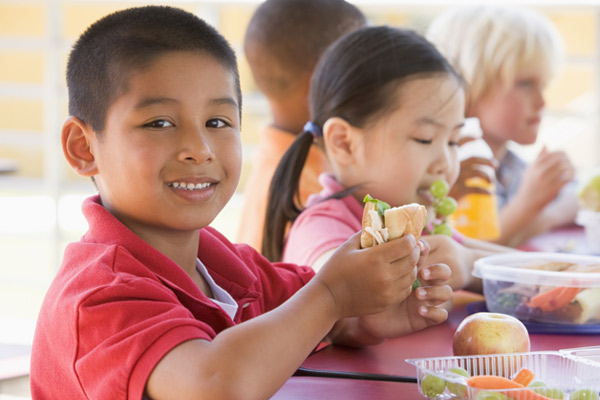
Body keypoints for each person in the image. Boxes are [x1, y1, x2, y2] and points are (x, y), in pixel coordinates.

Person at [30, 6, 453, 399]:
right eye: (159, 123)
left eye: (217, 121)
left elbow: (312, 314)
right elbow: (215, 384)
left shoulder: (227, 267)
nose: (199, 148)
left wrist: (366, 315)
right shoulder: (99, 296)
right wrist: (332, 296)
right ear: (83, 148)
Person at [263, 26, 514, 292]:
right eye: (424, 139)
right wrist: (469, 265)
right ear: (344, 143)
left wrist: (468, 262)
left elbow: (519, 267)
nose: (445, 163)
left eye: (452, 141)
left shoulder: (411, 221)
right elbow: (340, 298)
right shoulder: (321, 228)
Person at [427, 6, 578, 247]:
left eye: (545, 84)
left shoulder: (510, 166)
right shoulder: (451, 170)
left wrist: (543, 214)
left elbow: (575, 200)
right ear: (469, 85)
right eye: (525, 84)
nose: (542, 102)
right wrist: (527, 205)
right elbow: (461, 254)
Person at [237, 0, 367, 251]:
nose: (373, 80)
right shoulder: (308, 194)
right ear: (320, 80)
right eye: (360, 68)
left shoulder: (286, 163)